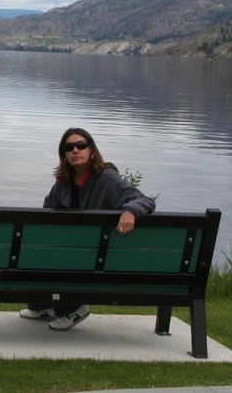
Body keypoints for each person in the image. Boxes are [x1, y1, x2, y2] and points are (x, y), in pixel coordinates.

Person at [19, 127, 156, 331]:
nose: (76, 150)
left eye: (81, 145)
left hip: (97, 255)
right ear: (64, 155)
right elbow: (47, 212)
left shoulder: (107, 179)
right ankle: (43, 306)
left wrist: (130, 211)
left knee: (57, 257)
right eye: (69, 147)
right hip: (78, 249)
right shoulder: (63, 183)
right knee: (41, 250)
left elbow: (144, 200)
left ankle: (74, 308)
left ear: (91, 150)